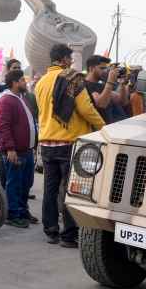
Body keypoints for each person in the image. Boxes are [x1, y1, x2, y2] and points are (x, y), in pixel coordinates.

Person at [35, 44, 105, 247]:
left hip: (47, 142)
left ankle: (50, 230)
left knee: (50, 188)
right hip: (68, 142)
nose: (72, 62)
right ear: (64, 59)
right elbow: (86, 108)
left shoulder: (40, 82)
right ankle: (68, 235)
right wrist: (103, 127)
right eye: (70, 59)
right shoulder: (73, 78)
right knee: (70, 190)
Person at [0, 70, 38, 228]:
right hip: (15, 151)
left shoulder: (20, 98)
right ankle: (12, 214)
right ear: (14, 82)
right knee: (14, 183)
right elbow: (3, 126)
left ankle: (22, 210)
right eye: (22, 80)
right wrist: (10, 149)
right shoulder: (7, 100)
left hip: (26, 150)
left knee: (26, 183)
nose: (25, 83)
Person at [84, 55, 130, 124]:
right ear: (91, 68)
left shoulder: (102, 85)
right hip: (100, 130)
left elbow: (122, 101)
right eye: (102, 68)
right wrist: (110, 81)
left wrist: (122, 84)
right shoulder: (85, 85)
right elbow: (101, 104)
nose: (105, 71)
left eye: (106, 68)